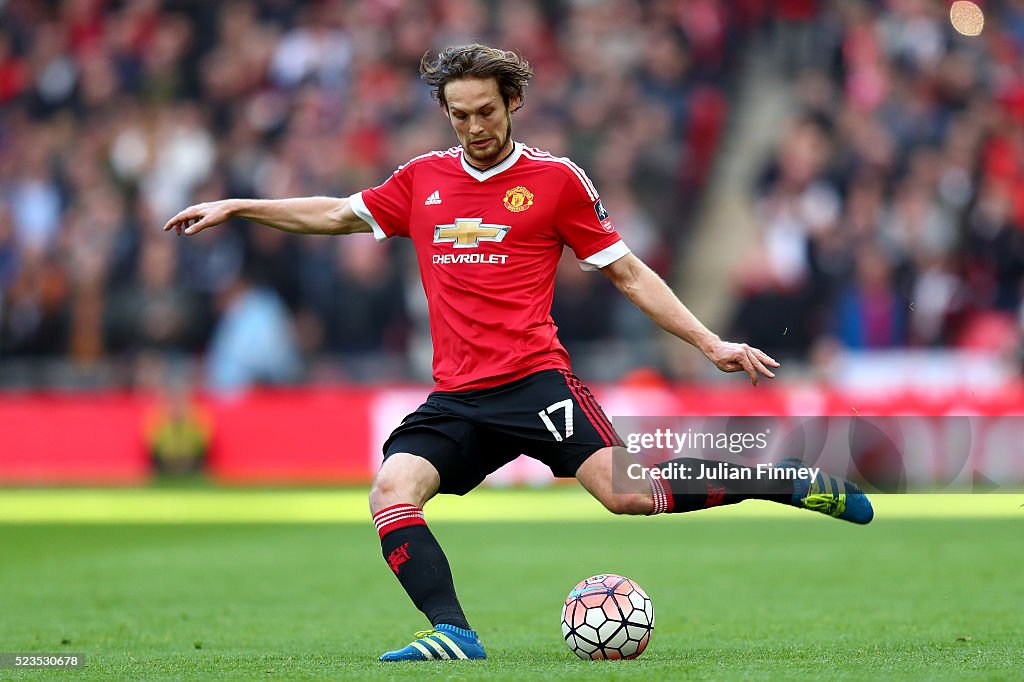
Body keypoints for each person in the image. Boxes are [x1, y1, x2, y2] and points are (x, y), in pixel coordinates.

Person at [165, 44, 873, 662]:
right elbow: (336, 214)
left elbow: (627, 270)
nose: (474, 128)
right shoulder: (421, 179)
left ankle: (778, 481)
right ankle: (453, 633)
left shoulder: (558, 181)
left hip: (537, 383)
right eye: (459, 115)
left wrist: (709, 341)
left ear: (514, 102)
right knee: (391, 491)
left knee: (628, 494)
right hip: (457, 396)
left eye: (485, 112)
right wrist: (239, 205)